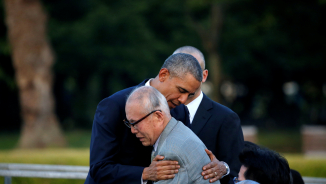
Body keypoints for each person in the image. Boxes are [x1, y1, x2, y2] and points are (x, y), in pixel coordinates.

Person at [85, 53, 223, 184]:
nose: (183, 100)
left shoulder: (181, 112)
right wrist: (144, 174)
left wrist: (218, 166)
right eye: (181, 90)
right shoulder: (114, 105)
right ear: (163, 75)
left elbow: (189, 152)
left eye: (190, 95)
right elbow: (99, 168)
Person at [171, 46, 244, 184]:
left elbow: (236, 168)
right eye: (178, 70)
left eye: (192, 70)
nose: (184, 76)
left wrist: (224, 168)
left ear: (204, 75)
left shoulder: (226, 118)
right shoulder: (159, 112)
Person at [125, 86, 220, 184]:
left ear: (158, 117)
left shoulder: (170, 152)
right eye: (129, 123)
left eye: (135, 123)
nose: (132, 130)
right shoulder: (177, 131)